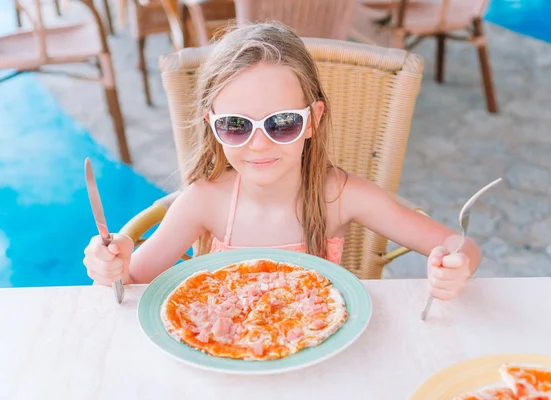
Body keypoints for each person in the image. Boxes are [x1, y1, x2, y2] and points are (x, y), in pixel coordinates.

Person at [83, 22, 481, 302]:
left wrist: (455, 265)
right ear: (213, 126)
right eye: (237, 125)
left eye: (283, 123)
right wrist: (113, 267)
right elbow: (133, 281)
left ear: (314, 120)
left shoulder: (339, 195)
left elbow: (458, 244)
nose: (259, 143)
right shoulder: (204, 200)